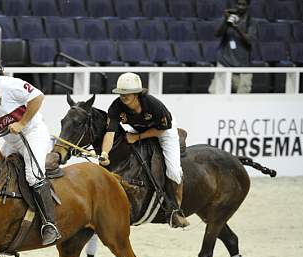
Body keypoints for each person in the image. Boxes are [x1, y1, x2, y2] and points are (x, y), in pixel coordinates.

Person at [0, 56, 61, 245]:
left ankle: (50, 224)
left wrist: (22, 122)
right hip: (11, 140)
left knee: (34, 175)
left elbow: (37, 96)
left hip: (32, 134)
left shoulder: (8, 85)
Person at [101, 72, 189, 228]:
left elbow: (161, 130)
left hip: (163, 131)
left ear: (137, 93)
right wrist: (105, 154)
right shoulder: (116, 106)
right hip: (140, 130)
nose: (123, 96)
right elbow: (110, 132)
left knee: (174, 171)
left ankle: (176, 210)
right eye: (121, 93)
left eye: (127, 93)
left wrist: (137, 137)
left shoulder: (153, 104)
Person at [208, 0, 256, 94]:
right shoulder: (229, 18)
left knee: (243, 96)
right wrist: (226, 21)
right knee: (216, 93)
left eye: (243, 4)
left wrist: (237, 27)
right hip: (225, 63)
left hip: (243, 66)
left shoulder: (251, 21)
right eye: (239, 4)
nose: (241, 7)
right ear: (235, 5)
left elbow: (249, 41)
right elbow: (217, 34)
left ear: (248, 6)